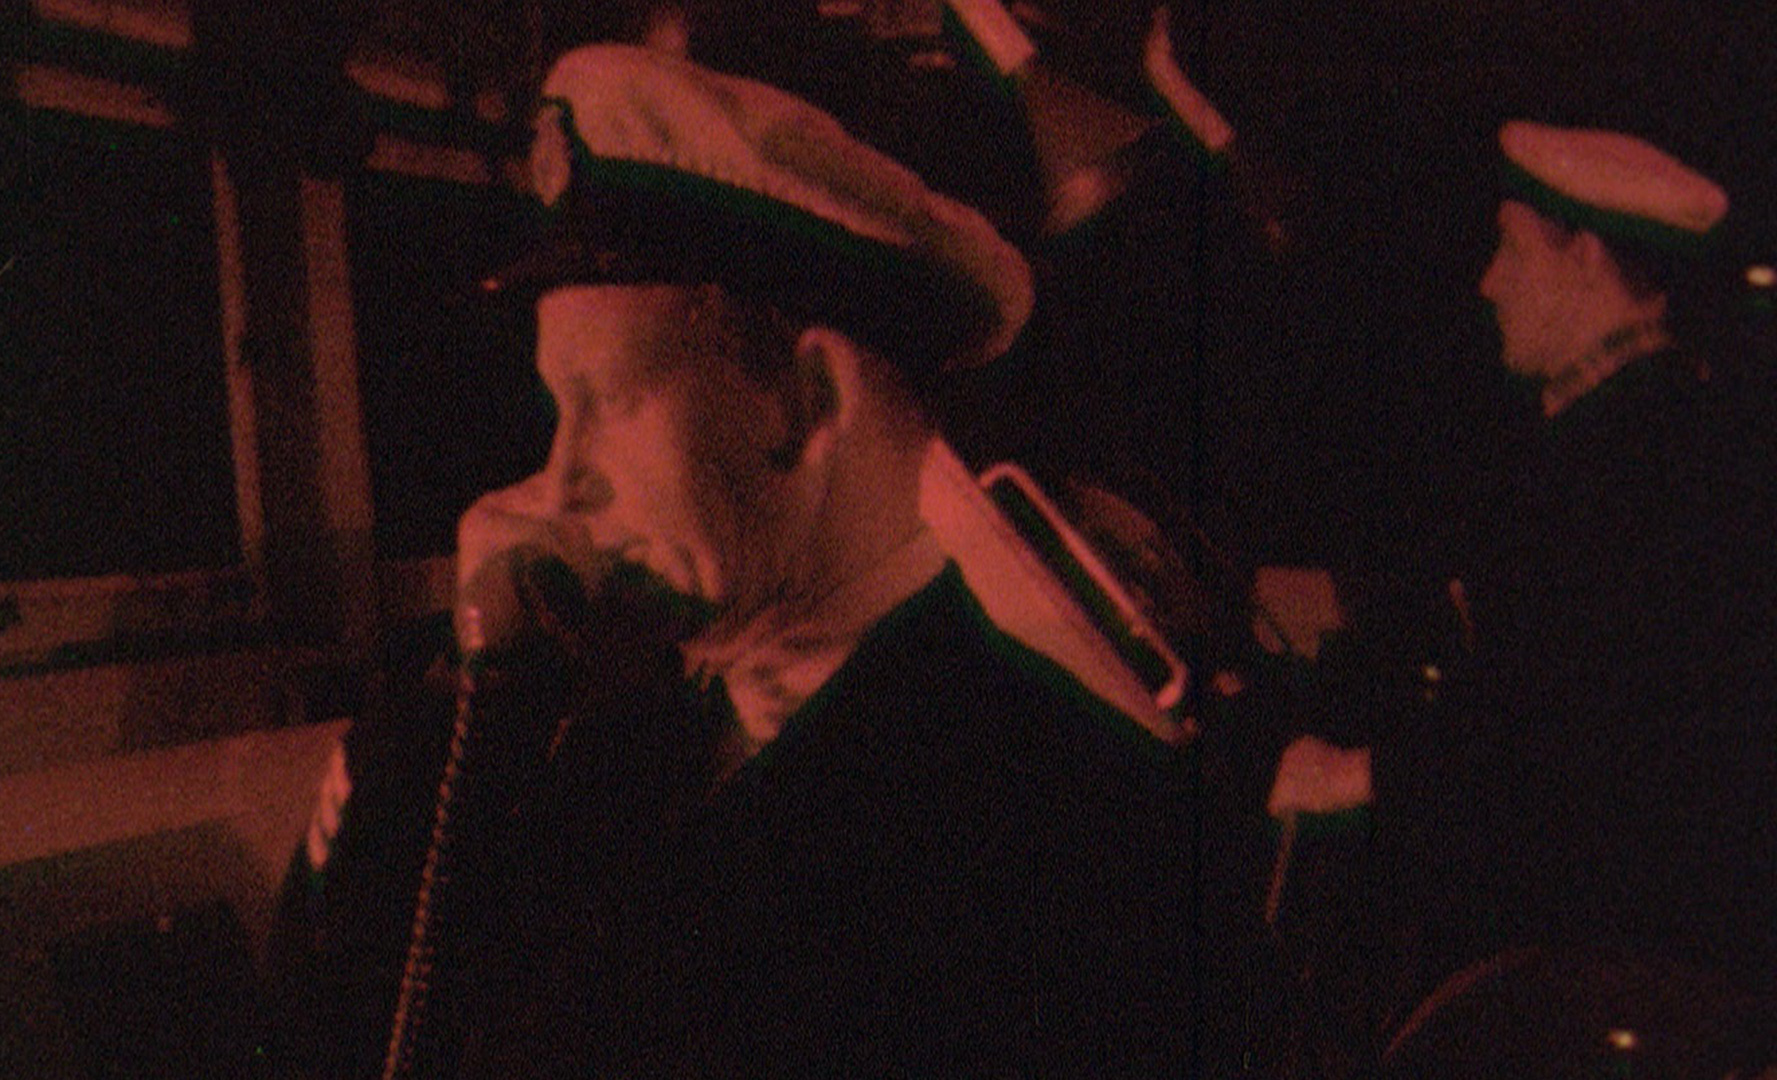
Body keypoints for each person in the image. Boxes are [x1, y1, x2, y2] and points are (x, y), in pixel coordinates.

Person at [265, 42, 1199, 1080]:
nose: (560, 481)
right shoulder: (616, 714)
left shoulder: (1035, 814)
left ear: (807, 402)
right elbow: (326, 1024)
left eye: (607, 404)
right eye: (559, 413)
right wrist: (459, 712)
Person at [1262, 119, 1777, 1023]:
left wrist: (1363, 775)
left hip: (1600, 962)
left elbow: (1572, 732)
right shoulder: (1641, 427)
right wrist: (1363, 602)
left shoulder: (1629, 457)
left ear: (1583, 258)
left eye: (1509, 248)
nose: (1487, 282)